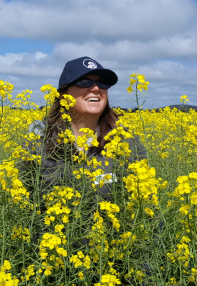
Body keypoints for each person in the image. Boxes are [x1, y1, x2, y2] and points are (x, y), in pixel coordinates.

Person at [20, 56, 147, 203]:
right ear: (62, 95)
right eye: (84, 82)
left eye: (102, 83)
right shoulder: (38, 139)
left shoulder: (125, 140)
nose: (96, 88)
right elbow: (22, 200)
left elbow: (143, 201)